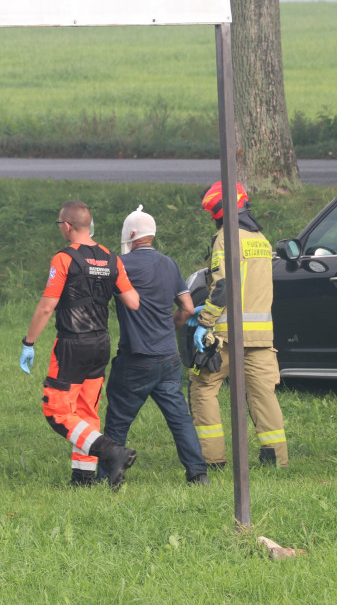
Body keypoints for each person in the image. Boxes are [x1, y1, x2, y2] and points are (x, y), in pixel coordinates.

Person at [19, 200, 141, 489]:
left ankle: (113, 453)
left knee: (57, 412)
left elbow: (48, 306)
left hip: (72, 344)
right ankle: (82, 479)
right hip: (101, 343)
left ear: (67, 226)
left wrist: (29, 341)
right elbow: (133, 302)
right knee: (86, 411)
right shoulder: (113, 259)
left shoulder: (64, 259)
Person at [98, 205, 209, 485]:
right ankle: (198, 474)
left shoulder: (121, 265)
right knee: (180, 420)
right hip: (168, 358)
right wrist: (168, 328)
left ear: (131, 235)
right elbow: (186, 307)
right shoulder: (169, 263)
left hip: (135, 359)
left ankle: (107, 476)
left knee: (118, 420)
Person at [188, 181, 288, 469]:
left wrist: (205, 320)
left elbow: (223, 286)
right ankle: (275, 460)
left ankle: (213, 460)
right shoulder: (262, 239)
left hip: (227, 334)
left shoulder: (226, 238)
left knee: (203, 388)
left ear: (220, 212)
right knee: (263, 396)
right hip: (261, 337)